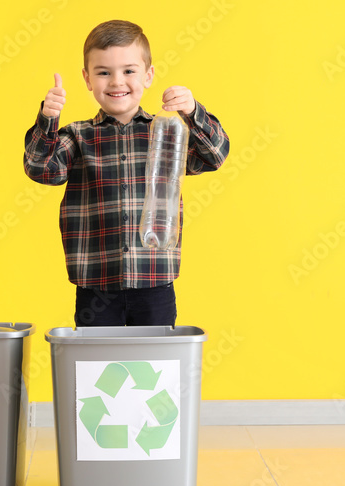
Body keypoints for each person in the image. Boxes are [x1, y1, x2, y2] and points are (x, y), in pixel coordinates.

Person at [23, 19, 230, 326]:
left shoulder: (167, 134)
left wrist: (192, 111)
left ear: (148, 76)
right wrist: (47, 119)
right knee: (97, 367)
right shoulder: (77, 136)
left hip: (155, 280)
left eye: (129, 71)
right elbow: (41, 169)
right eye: (104, 72)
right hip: (95, 283)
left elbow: (214, 155)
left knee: (155, 368)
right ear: (87, 79)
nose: (117, 81)